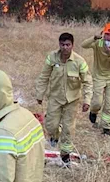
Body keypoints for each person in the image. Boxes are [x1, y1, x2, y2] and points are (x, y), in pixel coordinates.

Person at [35, 32, 92, 165]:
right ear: (59, 44)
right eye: (62, 44)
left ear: (72, 45)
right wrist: (40, 94)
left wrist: (87, 100)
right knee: (50, 125)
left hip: (72, 101)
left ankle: (65, 154)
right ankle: (55, 135)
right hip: (55, 97)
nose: (65, 47)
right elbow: (44, 77)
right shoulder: (52, 58)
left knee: (68, 127)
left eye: (68, 45)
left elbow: (87, 82)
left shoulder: (79, 61)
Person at [81, 22, 110, 135]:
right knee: (97, 102)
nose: (109, 37)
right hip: (98, 77)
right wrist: (94, 38)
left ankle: (106, 127)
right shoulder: (97, 43)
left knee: (109, 104)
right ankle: (94, 111)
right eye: (107, 34)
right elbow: (83, 45)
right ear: (103, 33)